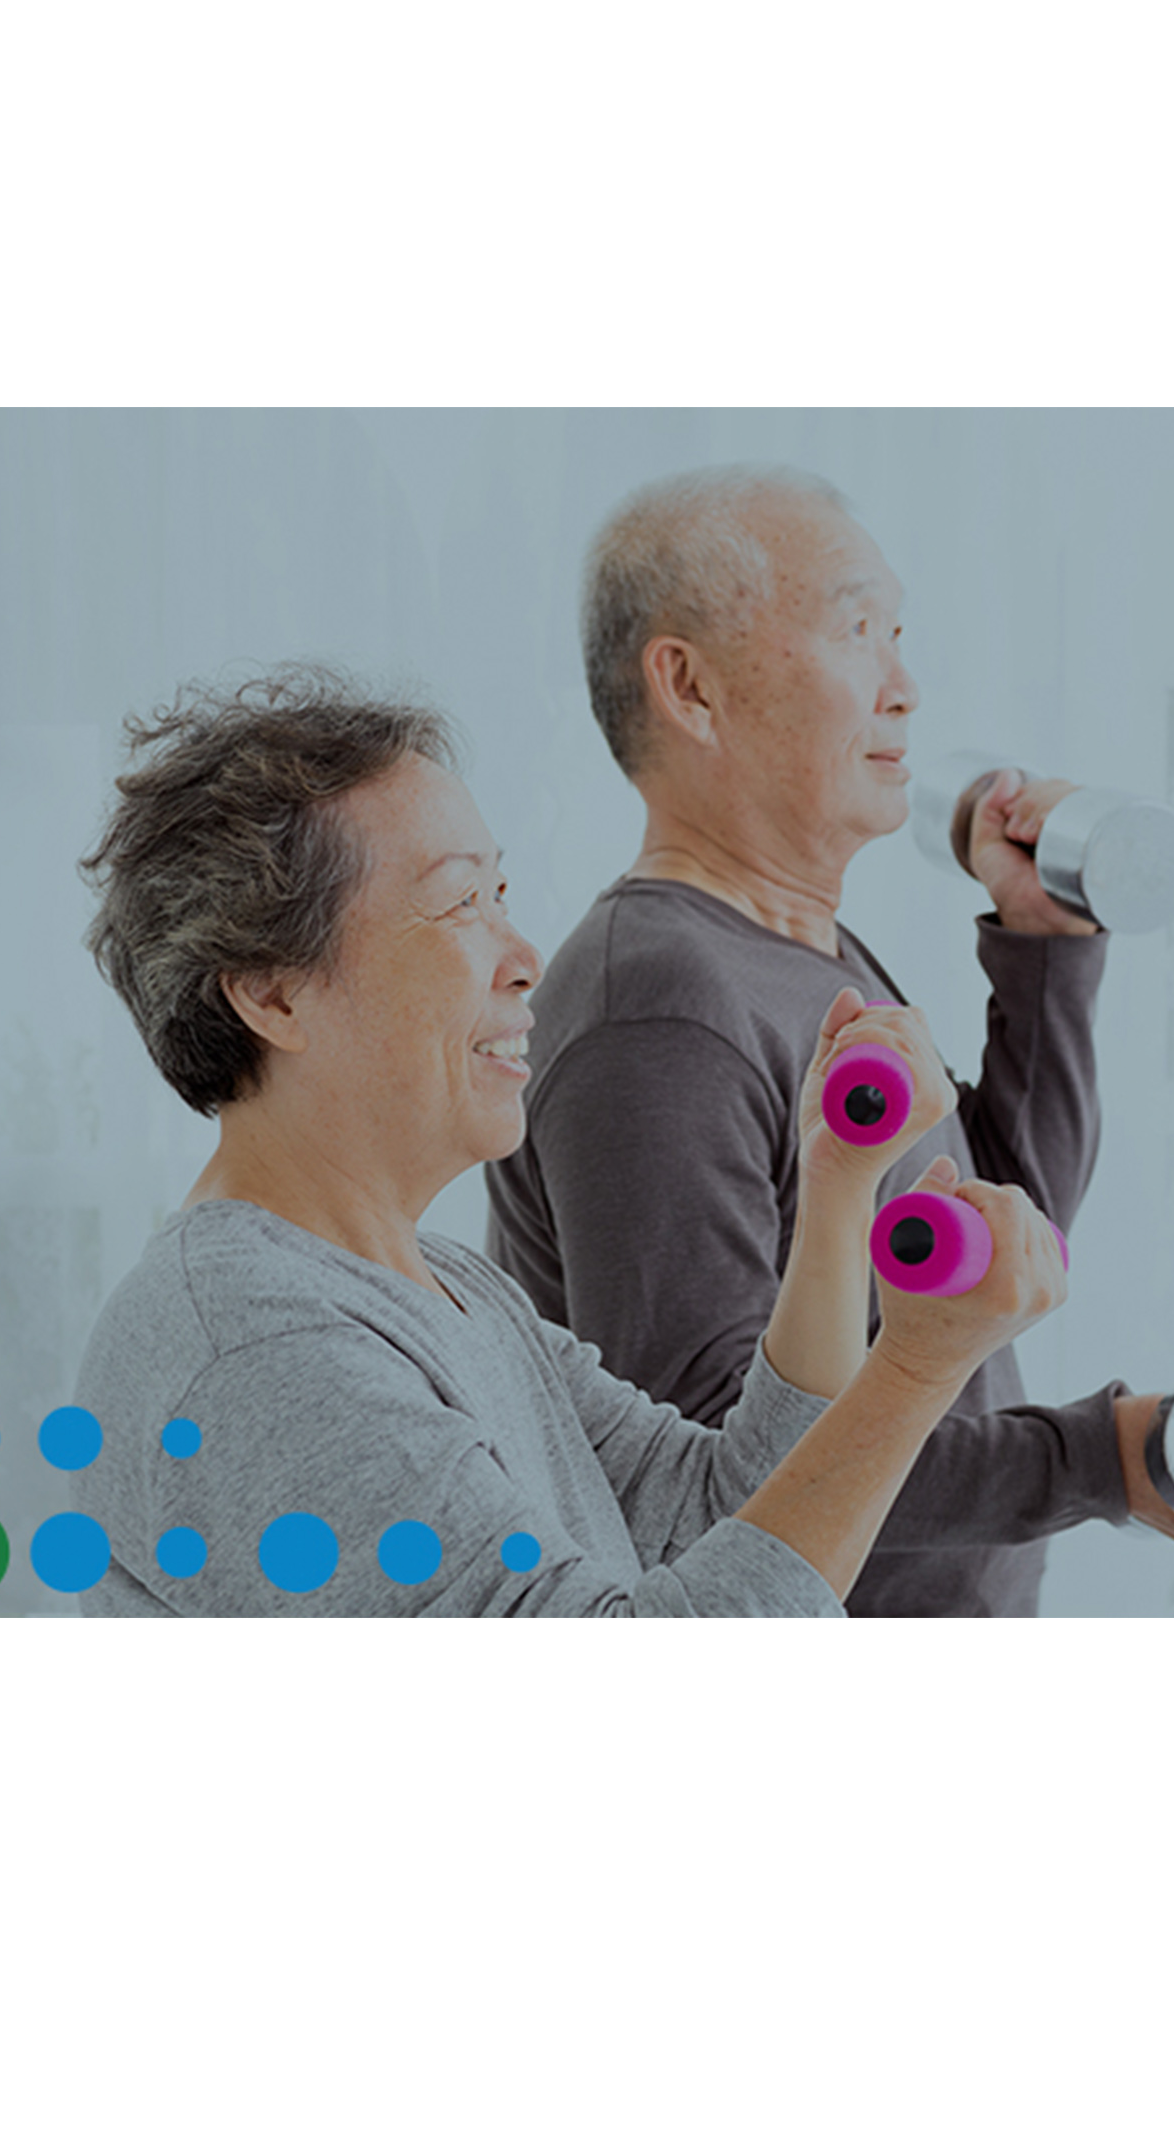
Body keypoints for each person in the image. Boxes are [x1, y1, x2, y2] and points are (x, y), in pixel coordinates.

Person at [68, 667, 1065, 1616]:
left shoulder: (450, 1291)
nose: (523, 958)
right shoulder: (261, 1350)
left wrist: (838, 1193)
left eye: (498, 896)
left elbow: (711, 1511)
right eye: (459, 902)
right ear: (274, 993)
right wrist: (917, 1372)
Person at [486, 466, 1174, 1616]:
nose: (905, 687)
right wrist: (1089, 1460)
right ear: (689, 686)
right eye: (857, 628)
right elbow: (719, 1480)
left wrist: (1047, 947)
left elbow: (1008, 1230)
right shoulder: (659, 1009)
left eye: (900, 633)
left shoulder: (798, 958)